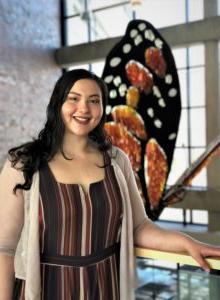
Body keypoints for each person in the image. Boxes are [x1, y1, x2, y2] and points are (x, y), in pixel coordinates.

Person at [0, 69, 220, 300]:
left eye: (94, 101)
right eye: (73, 99)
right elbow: (4, 248)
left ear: (102, 108)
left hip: (105, 286)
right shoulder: (23, 164)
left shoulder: (116, 160)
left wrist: (187, 242)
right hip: (47, 288)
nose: (84, 108)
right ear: (58, 104)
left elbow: (138, 227)